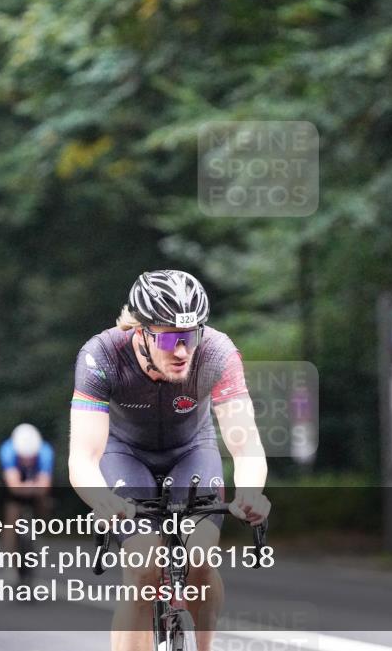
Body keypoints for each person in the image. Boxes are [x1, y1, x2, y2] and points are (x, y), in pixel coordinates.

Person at [68, 269, 271, 651]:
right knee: (144, 568)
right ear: (140, 333)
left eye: (189, 336)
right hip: (124, 452)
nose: (182, 351)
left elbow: (246, 446)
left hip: (192, 450)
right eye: (168, 338)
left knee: (201, 560)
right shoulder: (101, 355)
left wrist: (249, 493)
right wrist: (101, 498)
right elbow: (83, 455)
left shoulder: (217, 352)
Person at [0, 423, 54, 578]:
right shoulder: (8, 450)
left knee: (44, 500)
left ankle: (41, 528)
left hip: (35, 480)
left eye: (31, 457)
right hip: (16, 481)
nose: (28, 460)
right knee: (11, 517)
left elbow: (44, 486)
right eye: (24, 457)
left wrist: (34, 489)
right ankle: (9, 562)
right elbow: (13, 486)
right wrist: (27, 487)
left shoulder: (45, 451)